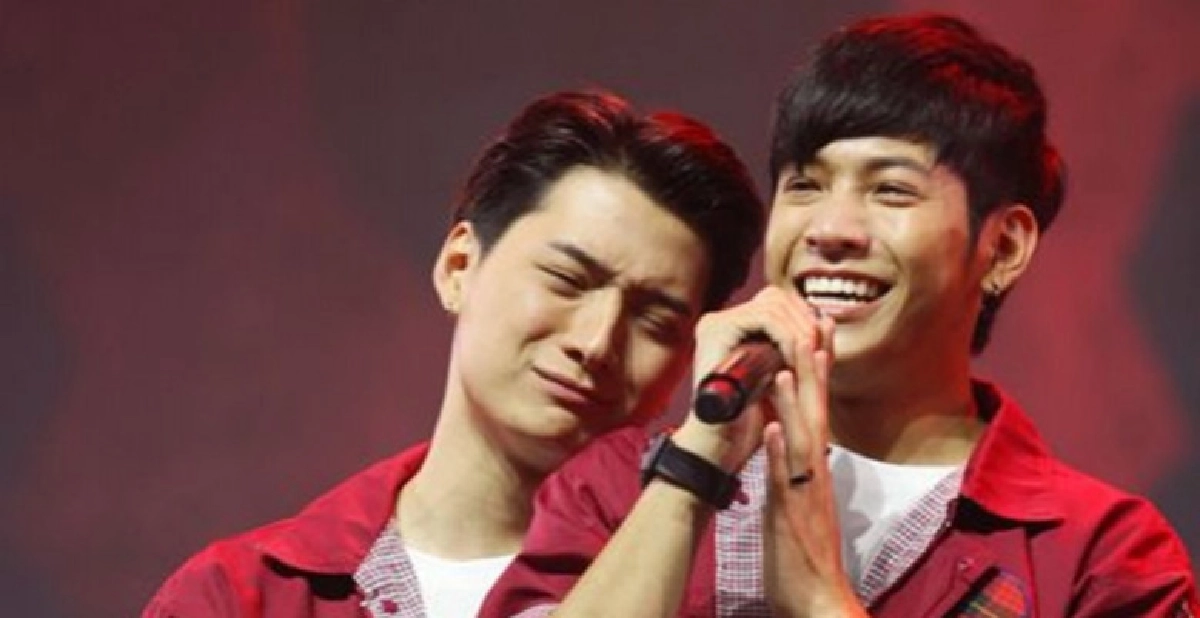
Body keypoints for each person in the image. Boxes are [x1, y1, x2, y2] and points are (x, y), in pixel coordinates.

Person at [481, 13, 1198, 618]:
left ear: (1003, 247)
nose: (830, 230)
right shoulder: (617, 486)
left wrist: (824, 602)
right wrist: (692, 473)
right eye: (805, 185)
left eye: (890, 191)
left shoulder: (1097, 556)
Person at [142, 89, 765, 617]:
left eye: (654, 319)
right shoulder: (243, 597)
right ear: (459, 266)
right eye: (567, 280)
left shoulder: (735, 587)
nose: (597, 342)